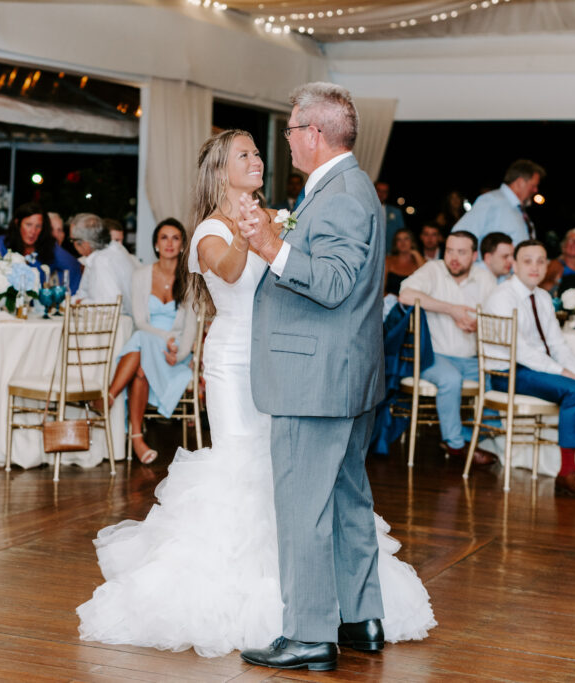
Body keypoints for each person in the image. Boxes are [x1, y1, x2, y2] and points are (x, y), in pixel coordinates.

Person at [77, 124, 434, 663]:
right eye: (245, 154)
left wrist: (271, 226)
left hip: (287, 358)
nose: (258, 160)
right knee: (244, 466)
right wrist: (253, 230)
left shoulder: (283, 215)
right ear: (221, 170)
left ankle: (312, 607)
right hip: (236, 360)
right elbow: (231, 268)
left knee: (289, 476)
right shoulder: (207, 232)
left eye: (256, 152)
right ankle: (256, 602)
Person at [240, 83, 435, 671]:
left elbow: (331, 282)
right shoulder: (340, 189)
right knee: (348, 500)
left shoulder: (344, 194)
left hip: (315, 376)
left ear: (314, 134)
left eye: (292, 130)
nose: (288, 141)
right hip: (339, 373)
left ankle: (308, 634)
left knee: (303, 507)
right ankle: (359, 618)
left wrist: (272, 245)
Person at [484, 240, 575, 497]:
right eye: (528, 261)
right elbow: (520, 350)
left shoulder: (541, 296)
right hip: (509, 372)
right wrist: (563, 373)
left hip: (541, 368)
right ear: (513, 265)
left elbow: (556, 343)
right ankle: (566, 473)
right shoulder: (501, 297)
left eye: (541, 261)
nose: (535, 267)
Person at [99, 218, 198, 464]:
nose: (169, 243)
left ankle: (108, 398)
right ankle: (137, 438)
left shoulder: (190, 279)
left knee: (140, 347)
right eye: (164, 237)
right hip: (151, 341)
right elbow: (141, 321)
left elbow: (191, 327)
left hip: (175, 357)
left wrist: (180, 353)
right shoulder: (141, 275)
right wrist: (166, 339)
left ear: (183, 245)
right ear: (156, 244)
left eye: (175, 238)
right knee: (141, 356)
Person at [398, 231, 498, 466]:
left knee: (496, 380)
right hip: (433, 356)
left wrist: (479, 324)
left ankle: (472, 438)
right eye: (450, 251)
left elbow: (496, 315)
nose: (453, 257)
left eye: (461, 252)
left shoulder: (485, 279)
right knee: (451, 380)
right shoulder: (433, 269)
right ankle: (456, 447)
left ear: (474, 256)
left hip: (472, 358)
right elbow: (405, 295)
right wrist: (451, 309)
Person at [0, 203, 81, 293]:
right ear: (18, 223)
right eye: (28, 224)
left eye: (38, 226)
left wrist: (57, 296)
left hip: (36, 306)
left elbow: (74, 266)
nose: (33, 231)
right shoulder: (0, 243)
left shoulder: (50, 247)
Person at [453, 159, 545, 246]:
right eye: (533, 186)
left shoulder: (518, 209)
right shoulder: (492, 201)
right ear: (520, 182)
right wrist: (479, 262)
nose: (535, 190)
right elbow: (460, 234)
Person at [71, 213, 136, 315]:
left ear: (85, 243)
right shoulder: (114, 250)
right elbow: (83, 292)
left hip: (117, 326)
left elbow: (110, 305)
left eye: (73, 240)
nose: (73, 245)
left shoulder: (102, 261)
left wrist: (82, 303)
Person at [540, 227, 575, 292]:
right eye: (571, 240)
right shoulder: (556, 264)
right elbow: (542, 287)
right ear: (564, 245)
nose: (574, 244)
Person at [384, 227, 424, 295]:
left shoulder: (418, 261)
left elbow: (426, 277)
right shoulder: (388, 260)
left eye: (406, 239)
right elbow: (381, 288)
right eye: (399, 239)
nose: (403, 243)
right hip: (390, 302)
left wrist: (415, 253)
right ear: (395, 244)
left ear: (412, 241)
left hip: (412, 302)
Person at [375, 180, 406, 254]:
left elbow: (401, 232)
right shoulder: (364, 209)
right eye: (378, 190)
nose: (381, 194)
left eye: (384, 191)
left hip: (388, 252)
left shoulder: (395, 212)